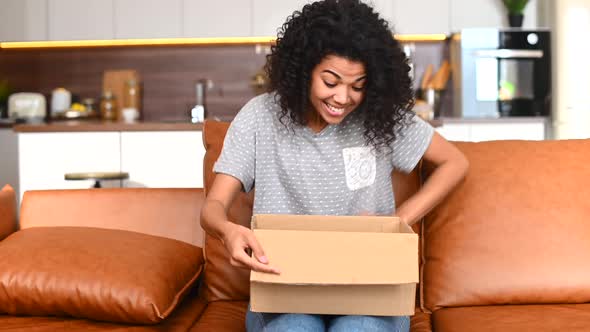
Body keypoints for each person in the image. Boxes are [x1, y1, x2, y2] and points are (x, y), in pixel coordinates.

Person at [201, 0, 469, 331]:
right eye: (331, 82)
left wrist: (398, 220)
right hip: (285, 292)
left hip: (371, 288)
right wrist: (227, 231)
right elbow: (212, 207)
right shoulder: (259, 117)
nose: (343, 98)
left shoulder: (379, 116)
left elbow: (454, 163)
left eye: (357, 86)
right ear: (303, 71)